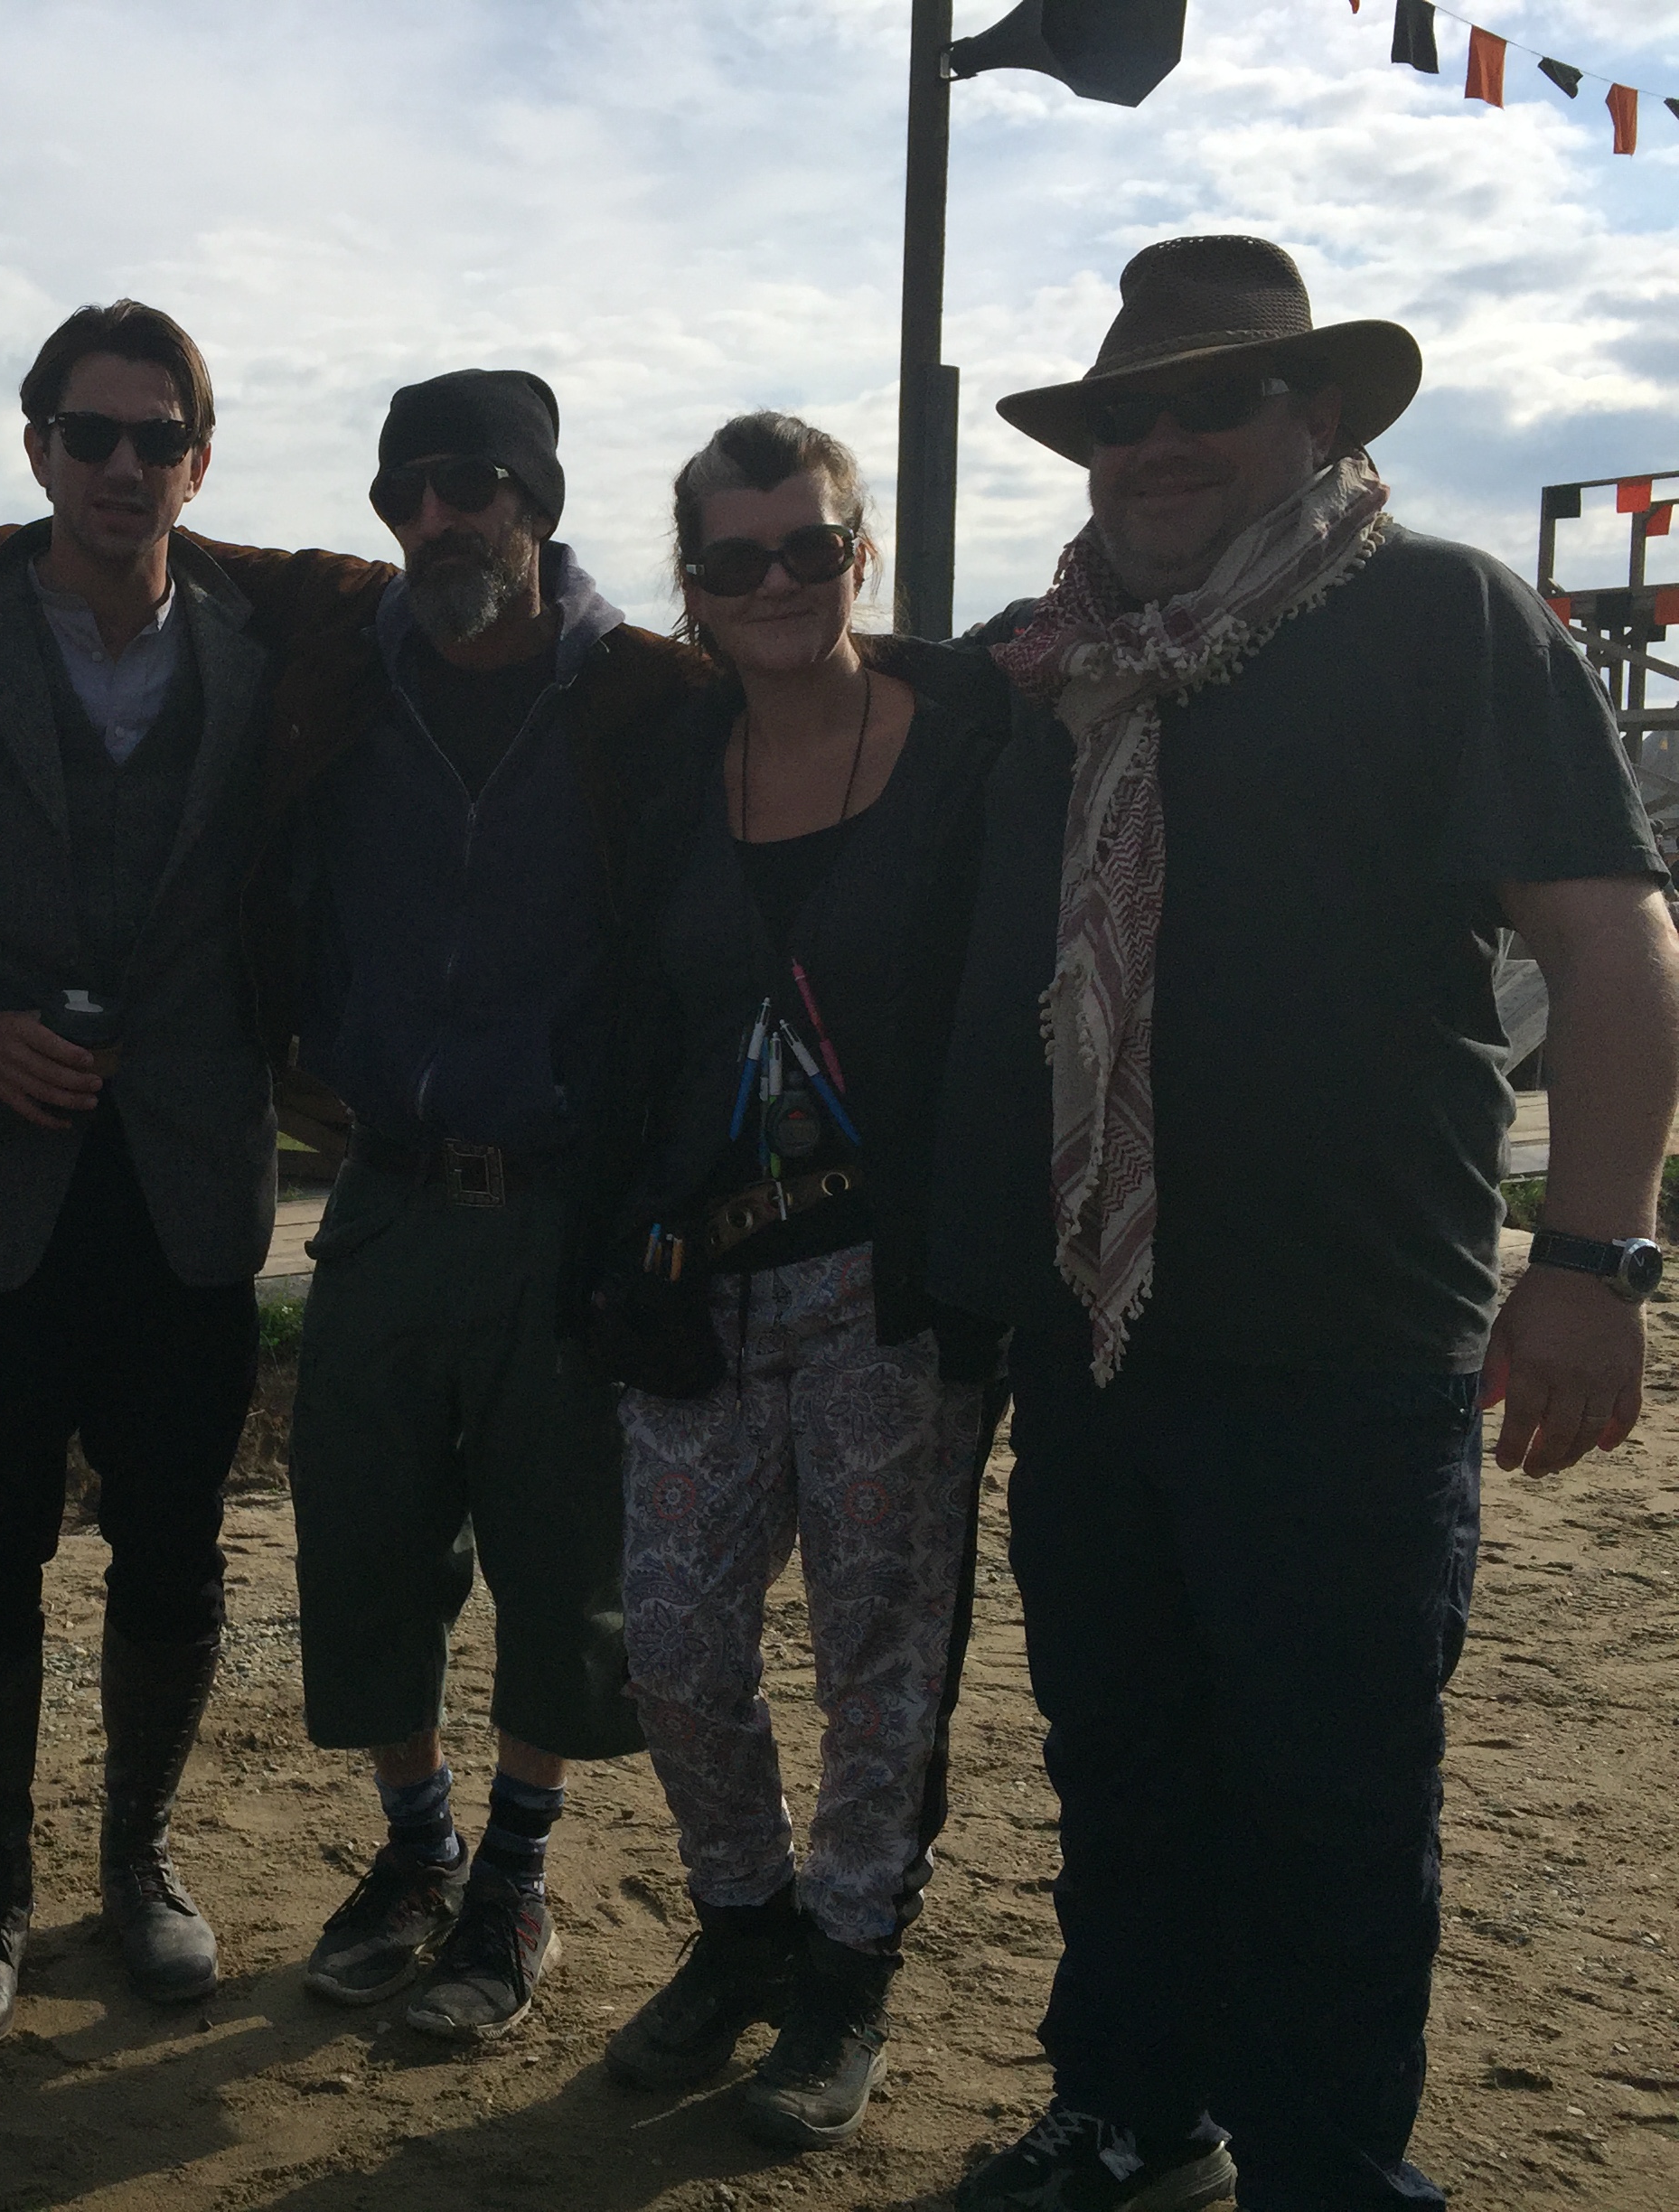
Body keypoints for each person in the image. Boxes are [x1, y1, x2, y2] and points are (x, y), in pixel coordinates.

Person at [933, 237, 1679, 2212]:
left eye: (1213, 398)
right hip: (1097, 1329)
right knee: (1119, 1758)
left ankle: (1329, 2170)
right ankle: (1131, 2110)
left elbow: (1609, 939)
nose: (1157, 441)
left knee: (1329, 1798)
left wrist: (1591, 1263)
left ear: (1319, 415)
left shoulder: (1436, 612)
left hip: (1348, 1342)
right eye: (1123, 415)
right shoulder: (1046, 664)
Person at [0, 368, 707, 2041]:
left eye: (473, 485)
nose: (439, 518)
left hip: (524, 1198)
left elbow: (812, 686)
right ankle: (377, 1854)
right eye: (408, 493)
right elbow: (110, 529)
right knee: (354, 1552)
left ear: (537, 498)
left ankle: (492, 1878)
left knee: (549, 1567)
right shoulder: (341, 638)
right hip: (355, 1189)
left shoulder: (645, 693)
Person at [587, 412, 1007, 2151]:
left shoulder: (969, 749)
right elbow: (629, 1018)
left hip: (881, 1286)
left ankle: (843, 1963)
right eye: (730, 556)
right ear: (688, 580)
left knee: (873, 1653)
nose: (770, 581)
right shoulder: (661, 764)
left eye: (805, 547)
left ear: (860, 553)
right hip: (700, 1277)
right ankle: (740, 1921)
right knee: (674, 1642)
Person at [0, 302, 271, 2048]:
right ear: (34, 448)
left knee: (173, 1545)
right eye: (85, 433)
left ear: (198, 458)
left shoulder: (264, 649)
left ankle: (136, 1857)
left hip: (184, 1180)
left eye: (153, 435)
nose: (120, 463)